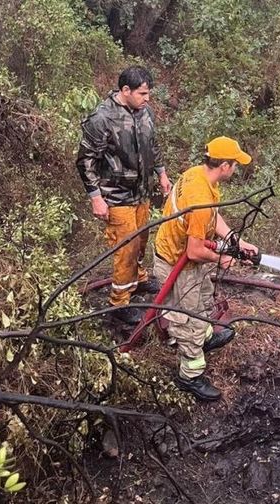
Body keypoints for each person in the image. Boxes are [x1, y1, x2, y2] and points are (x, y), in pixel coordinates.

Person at [154, 136, 259, 401]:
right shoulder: (200, 192)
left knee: (202, 298)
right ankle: (189, 375)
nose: (235, 169)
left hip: (187, 260)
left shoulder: (197, 175)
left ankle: (204, 336)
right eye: (235, 164)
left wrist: (236, 241)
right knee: (186, 316)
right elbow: (194, 251)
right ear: (224, 166)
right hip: (178, 262)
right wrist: (222, 258)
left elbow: (211, 215)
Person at [76, 66, 172, 324]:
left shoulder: (145, 112)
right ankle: (119, 304)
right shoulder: (102, 118)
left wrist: (161, 174)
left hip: (141, 192)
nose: (147, 98)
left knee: (141, 241)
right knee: (126, 249)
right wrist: (95, 197)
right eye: (142, 93)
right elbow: (85, 161)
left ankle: (138, 280)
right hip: (115, 195)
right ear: (125, 90)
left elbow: (153, 145)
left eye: (148, 93)